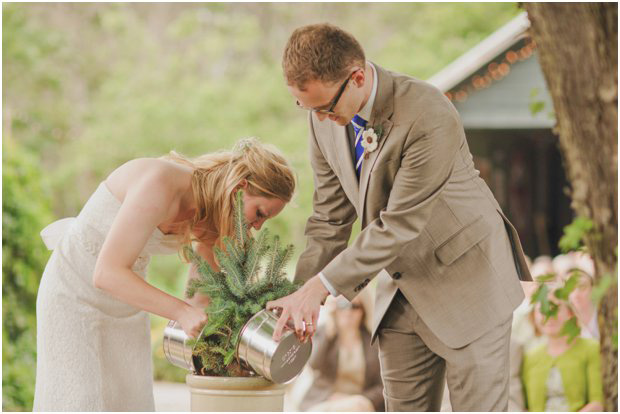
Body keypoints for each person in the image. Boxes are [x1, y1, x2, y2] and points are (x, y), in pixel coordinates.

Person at [266, 23, 532, 411]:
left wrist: (321, 287)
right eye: (307, 108)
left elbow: (400, 223)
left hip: (469, 284)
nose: (319, 118)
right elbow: (329, 218)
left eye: (325, 107)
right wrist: (300, 297)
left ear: (357, 77)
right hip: (400, 293)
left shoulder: (428, 112)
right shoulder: (322, 120)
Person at [33, 138, 295, 411]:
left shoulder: (213, 220)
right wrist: (180, 312)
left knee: (129, 401)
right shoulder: (160, 182)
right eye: (260, 213)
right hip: (74, 292)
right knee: (78, 400)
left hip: (128, 303)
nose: (257, 225)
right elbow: (106, 273)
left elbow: (200, 301)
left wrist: (232, 337)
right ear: (240, 188)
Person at [521, 288, 603, 412]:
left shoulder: (591, 348)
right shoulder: (529, 357)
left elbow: (598, 403)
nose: (548, 315)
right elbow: (525, 407)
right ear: (534, 316)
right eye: (541, 310)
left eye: (555, 308)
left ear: (570, 313)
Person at [299, 292, 384, 412]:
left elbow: (382, 386)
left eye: (355, 307)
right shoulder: (325, 334)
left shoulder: (374, 342)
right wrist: (329, 329)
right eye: (343, 305)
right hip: (326, 401)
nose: (348, 312)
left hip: (360, 404)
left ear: (363, 311)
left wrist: (358, 399)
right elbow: (313, 365)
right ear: (335, 309)